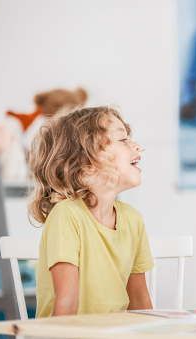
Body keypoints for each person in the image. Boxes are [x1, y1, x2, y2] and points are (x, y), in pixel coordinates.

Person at [28, 106, 154, 317]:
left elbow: (139, 300)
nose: (136, 146)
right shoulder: (67, 215)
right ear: (87, 165)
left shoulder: (133, 219)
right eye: (122, 140)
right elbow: (67, 303)